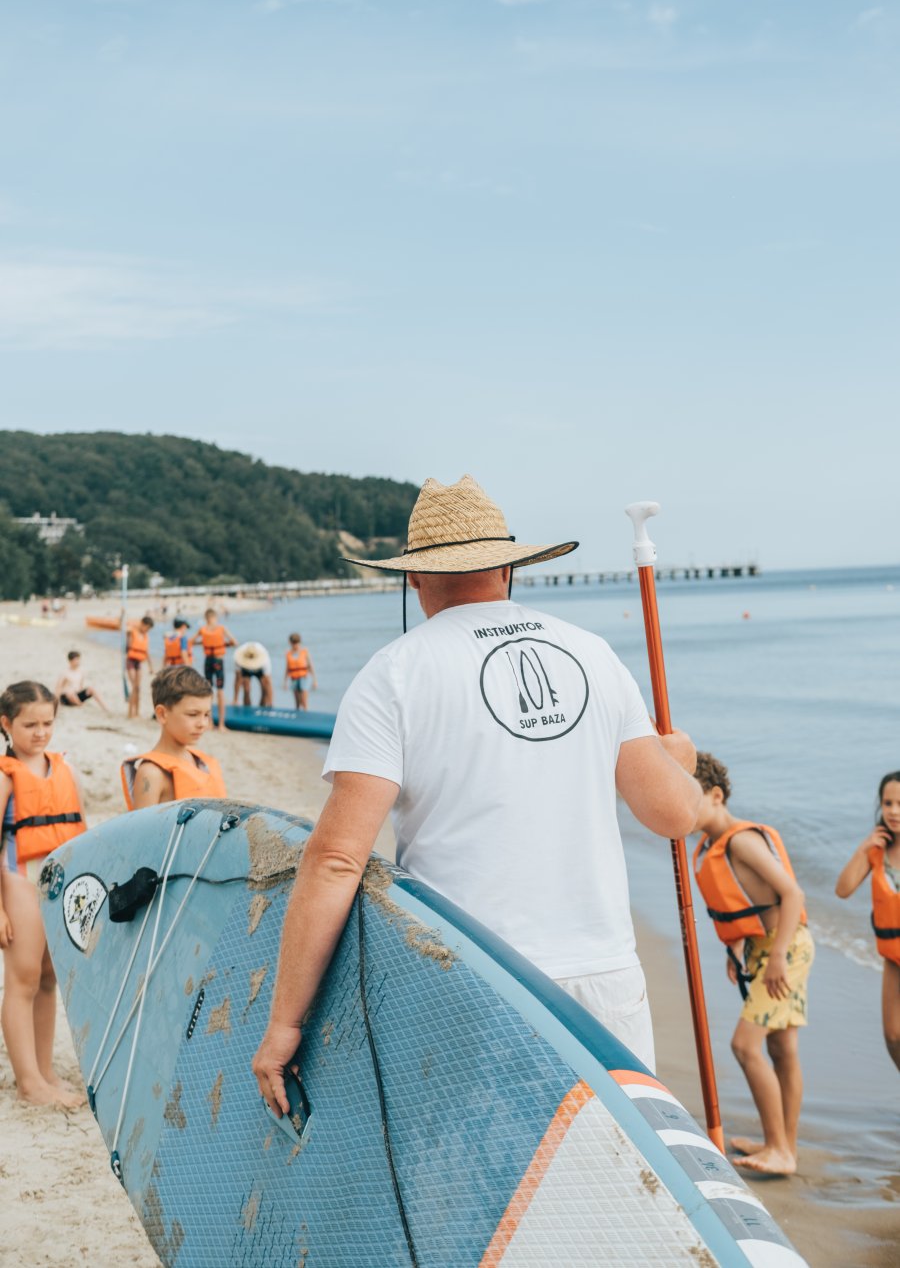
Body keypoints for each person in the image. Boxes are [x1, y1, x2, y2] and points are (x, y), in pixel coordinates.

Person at [253, 474, 700, 1117]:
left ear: (412, 578)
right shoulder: (593, 654)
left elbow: (336, 860)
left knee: (481, 1192)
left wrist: (286, 1023)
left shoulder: (396, 673)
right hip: (603, 978)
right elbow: (675, 814)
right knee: (616, 1189)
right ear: (508, 567)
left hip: (472, 974)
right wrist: (675, 760)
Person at [692, 752, 814, 1176]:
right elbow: (746, 903)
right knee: (781, 1048)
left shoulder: (742, 840)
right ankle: (781, 1145)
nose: (681, 810)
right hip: (765, 949)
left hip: (787, 948)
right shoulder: (713, 846)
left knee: (745, 1046)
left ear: (716, 795)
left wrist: (778, 956)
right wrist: (736, 949)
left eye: (690, 799)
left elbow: (792, 895)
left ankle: (781, 1149)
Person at [0, 681, 87, 1108]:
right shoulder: (3, 775)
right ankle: (28, 1083)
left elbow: (85, 833)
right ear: (6, 724)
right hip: (18, 883)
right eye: (29, 724)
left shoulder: (63, 767)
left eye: (47, 723)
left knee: (50, 978)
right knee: (23, 979)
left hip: (60, 885)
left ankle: (45, 1070)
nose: (40, 732)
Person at [835, 771, 900, 1071]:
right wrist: (864, 846)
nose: (894, 811)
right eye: (888, 803)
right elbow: (843, 889)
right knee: (893, 1035)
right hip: (893, 958)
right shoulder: (877, 850)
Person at [120, 666, 227, 811]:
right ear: (162, 714)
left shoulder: (201, 763)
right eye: (192, 714)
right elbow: (142, 833)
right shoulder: (151, 774)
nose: (202, 724)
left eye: (206, 715)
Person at [193, 609, 236, 732]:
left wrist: (204, 643)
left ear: (206, 618)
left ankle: (210, 723)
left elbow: (192, 641)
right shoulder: (221, 628)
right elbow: (234, 642)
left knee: (208, 693)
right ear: (215, 617)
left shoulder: (203, 629)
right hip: (218, 662)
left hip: (208, 662)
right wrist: (223, 645)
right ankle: (221, 724)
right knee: (220, 692)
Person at [125, 615, 154, 720]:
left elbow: (147, 652)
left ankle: (136, 712)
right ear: (143, 624)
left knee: (138, 688)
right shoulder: (132, 632)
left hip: (139, 662)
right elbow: (125, 627)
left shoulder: (146, 636)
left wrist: (151, 667)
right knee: (134, 687)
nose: (147, 630)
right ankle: (130, 713)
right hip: (131, 661)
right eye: (147, 627)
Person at [234, 643, 273, 708]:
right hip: (245, 667)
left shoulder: (265, 659)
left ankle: (262, 708)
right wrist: (235, 699)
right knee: (246, 689)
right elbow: (237, 679)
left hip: (259, 668)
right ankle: (247, 709)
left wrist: (271, 702)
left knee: (264, 688)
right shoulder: (238, 658)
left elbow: (268, 682)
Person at [284, 633, 317, 710]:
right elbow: (287, 668)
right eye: (293, 643)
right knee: (297, 703)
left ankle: (306, 716)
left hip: (303, 678)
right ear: (290, 643)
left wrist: (314, 680)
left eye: (297, 643)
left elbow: (310, 666)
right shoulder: (288, 653)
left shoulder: (304, 651)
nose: (295, 645)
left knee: (304, 702)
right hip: (293, 678)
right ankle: (297, 717)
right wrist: (285, 682)